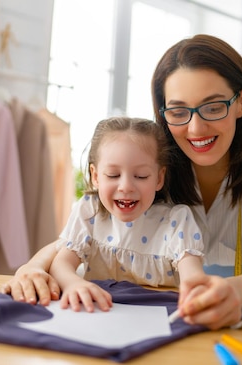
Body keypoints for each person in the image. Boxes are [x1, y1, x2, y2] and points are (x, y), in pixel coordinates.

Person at [0, 34, 242, 330]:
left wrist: (235, 294)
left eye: (213, 107)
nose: (196, 128)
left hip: (219, 309)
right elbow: (93, 227)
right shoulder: (150, 159)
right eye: (178, 111)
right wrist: (34, 265)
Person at [34, 116, 207, 313]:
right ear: (96, 176)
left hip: (158, 318)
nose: (125, 187)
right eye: (113, 175)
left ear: (159, 178)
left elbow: (192, 277)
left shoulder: (176, 221)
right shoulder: (89, 211)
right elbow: (61, 264)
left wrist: (196, 292)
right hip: (98, 313)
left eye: (141, 176)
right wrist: (73, 284)